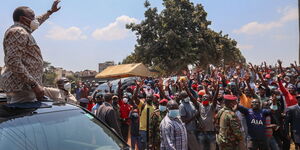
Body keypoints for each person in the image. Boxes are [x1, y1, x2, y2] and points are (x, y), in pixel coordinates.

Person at [0, 0, 61, 103]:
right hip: (22, 88)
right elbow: (13, 61)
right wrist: (34, 84)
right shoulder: (18, 32)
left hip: (23, 87)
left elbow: (38, 20)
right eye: (32, 16)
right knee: (22, 116)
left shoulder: (23, 30)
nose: (35, 19)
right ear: (23, 19)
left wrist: (50, 12)